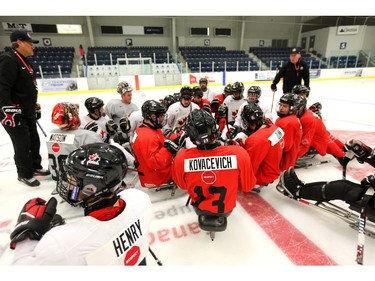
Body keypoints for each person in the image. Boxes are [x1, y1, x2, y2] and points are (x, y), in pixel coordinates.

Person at [10, 142, 152, 265]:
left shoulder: (61, 243)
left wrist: (26, 233)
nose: (68, 184)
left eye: (72, 180)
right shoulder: (139, 199)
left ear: (91, 188)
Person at [172, 109, 256, 215]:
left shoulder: (181, 158)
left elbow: (183, 186)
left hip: (200, 208)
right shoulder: (239, 153)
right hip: (226, 209)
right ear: (214, 129)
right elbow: (248, 186)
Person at [0, 30, 50, 187]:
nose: (32, 46)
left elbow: (26, 88)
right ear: (19, 42)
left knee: (34, 141)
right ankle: (24, 173)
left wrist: (33, 106)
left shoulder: (25, 61)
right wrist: (7, 110)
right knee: (22, 144)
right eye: (30, 43)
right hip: (13, 114)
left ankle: (34, 166)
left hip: (27, 112)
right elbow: (2, 88)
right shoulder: (8, 59)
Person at [48, 102, 134, 182]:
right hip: (80, 184)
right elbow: (104, 157)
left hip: (60, 180)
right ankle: (135, 163)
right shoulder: (88, 136)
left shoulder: (51, 133)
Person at [132, 100, 186, 188]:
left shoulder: (149, 129)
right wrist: (170, 148)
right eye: (161, 116)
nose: (163, 118)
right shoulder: (146, 137)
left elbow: (161, 143)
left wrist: (175, 137)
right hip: (156, 177)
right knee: (187, 164)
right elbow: (155, 163)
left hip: (150, 172)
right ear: (152, 117)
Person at [241, 103, 285, 187]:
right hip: (274, 168)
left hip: (264, 175)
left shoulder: (255, 140)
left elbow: (250, 168)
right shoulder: (274, 126)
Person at [274, 93, 302, 171]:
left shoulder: (289, 122)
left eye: (285, 106)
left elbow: (286, 146)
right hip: (286, 157)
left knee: (284, 174)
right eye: (280, 105)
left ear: (292, 108)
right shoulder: (284, 119)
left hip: (286, 159)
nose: (281, 108)